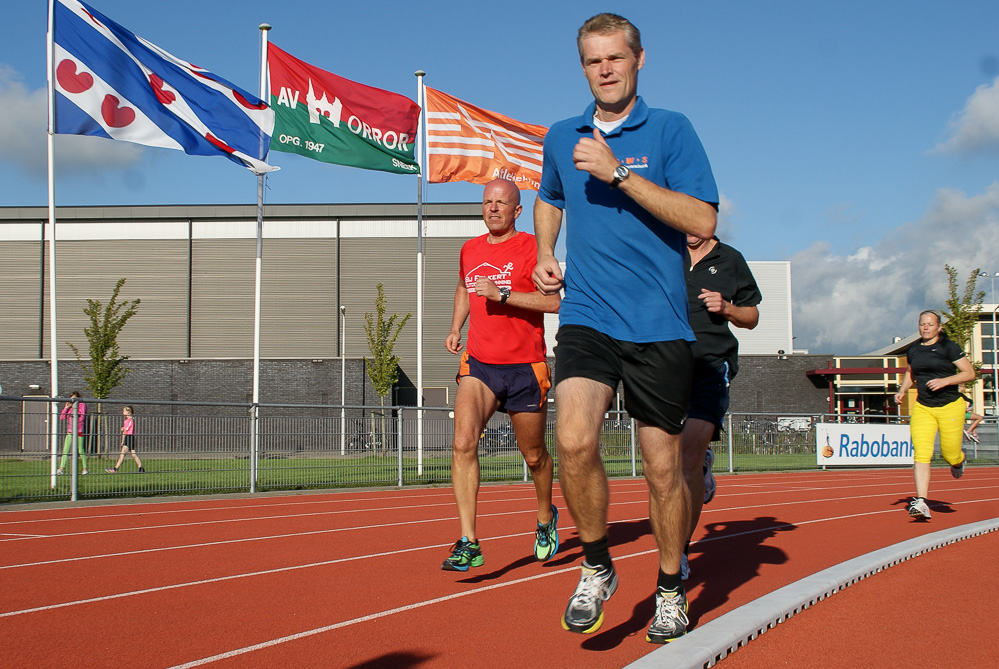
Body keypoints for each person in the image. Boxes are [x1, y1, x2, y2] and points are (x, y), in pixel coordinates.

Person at [533, 13, 718, 643]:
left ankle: (670, 586)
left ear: (640, 60)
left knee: (663, 469)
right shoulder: (562, 135)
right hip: (588, 313)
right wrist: (544, 252)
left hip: (659, 323)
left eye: (616, 57)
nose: (605, 69)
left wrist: (618, 172)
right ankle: (597, 565)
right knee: (575, 441)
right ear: (582, 66)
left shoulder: (671, 129)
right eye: (593, 60)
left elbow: (701, 216)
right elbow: (550, 195)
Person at [441, 178, 562, 572]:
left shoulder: (532, 247)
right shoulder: (470, 249)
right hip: (479, 364)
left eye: (502, 203)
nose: (493, 208)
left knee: (534, 456)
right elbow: (464, 287)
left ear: (517, 211)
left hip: (525, 366)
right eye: (488, 202)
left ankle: (545, 517)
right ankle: (468, 541)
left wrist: (504, 295)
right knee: (462, 442)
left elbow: (555, 302)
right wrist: (456, 326)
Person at [680, 234, 761, 580]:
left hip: (712, 364)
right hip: (667, 364)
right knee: (668, 463)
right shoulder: (666, 251)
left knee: (687, 456)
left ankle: (679, 550)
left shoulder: (730, 259)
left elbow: (752, 316)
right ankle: (702, 468)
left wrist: (727, 307)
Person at [893, 310, 976, 519]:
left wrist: (945, 381)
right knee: (921, 453)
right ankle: (921, 502)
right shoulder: (913, 350)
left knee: (949, 454)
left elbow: (969, 373)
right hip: (923, 407)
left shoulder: (948, 347)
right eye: (922, 324)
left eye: (930, 324)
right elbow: (910, 373)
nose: (926, 328)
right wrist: (902, 390)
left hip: (950, 406)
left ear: (939, 328)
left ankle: (958, 461)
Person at [106, 406, 145, 473]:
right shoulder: (131, 420)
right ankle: (141, 468)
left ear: (128, 412)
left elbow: (125, 431)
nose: (123, 412)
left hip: (128, 437)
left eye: (124, 411)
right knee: (133, 454)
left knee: (122, 454)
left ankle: (115, 468)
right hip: (131, 437)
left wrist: (122, 440)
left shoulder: (128, 421)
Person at [56, 391, 88, 475]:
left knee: (81, 450)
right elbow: (62, 417)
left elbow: (82, 417)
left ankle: (85, 468)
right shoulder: (70, 407)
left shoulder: (82, 405)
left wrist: (74, 414)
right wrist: (66, 408)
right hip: (70, 431)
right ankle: (61, 468)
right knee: (66, 449)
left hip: (79, 431)